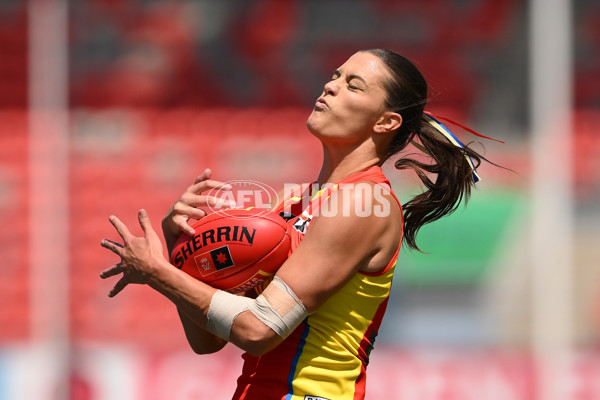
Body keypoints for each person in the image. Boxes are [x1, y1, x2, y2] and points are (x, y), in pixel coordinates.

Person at [100, 48, 490, 399]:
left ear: (386, 122)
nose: (331, 86)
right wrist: (179, 246)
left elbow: (259, 331)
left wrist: (158, 273)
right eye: (335, 76)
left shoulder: (363, 201)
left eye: (353, 85)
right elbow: (207, 340)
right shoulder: (291, 202)